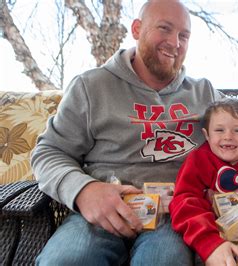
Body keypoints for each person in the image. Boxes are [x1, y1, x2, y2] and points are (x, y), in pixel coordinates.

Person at [31, 0, 224, 265]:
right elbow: (49, 151)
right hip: (99, 213)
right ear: (136, 29)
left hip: (172, 214)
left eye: (184, 35)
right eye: (164, 29)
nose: (175, 42)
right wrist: (84, 191)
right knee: (67, 260)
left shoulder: (205, 94)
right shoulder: (91, 86)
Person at [170, 98, 238, 266]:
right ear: (207, 135)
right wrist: (209, 243)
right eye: (219, 130)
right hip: (216, 244)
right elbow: (184, 202)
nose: (228, 136)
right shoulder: (199, 161)